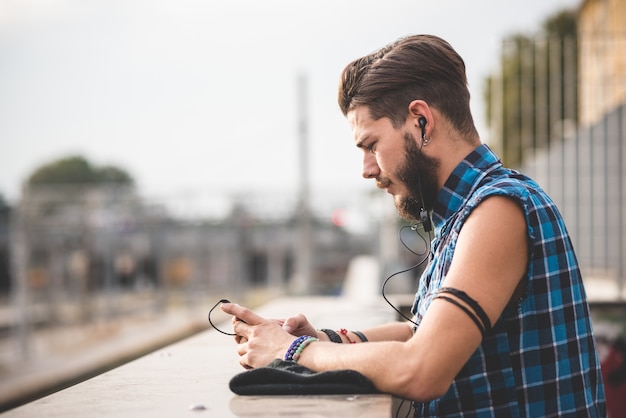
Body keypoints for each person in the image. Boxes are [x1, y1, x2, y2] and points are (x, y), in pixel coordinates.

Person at [221, 34, 606, 416]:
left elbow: (422, 368)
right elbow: (424, 331)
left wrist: (290, 351)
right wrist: (326, 339)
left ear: (421, 121)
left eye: (371, 145)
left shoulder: (498, 209)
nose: (367, 169)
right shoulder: (466, 212)